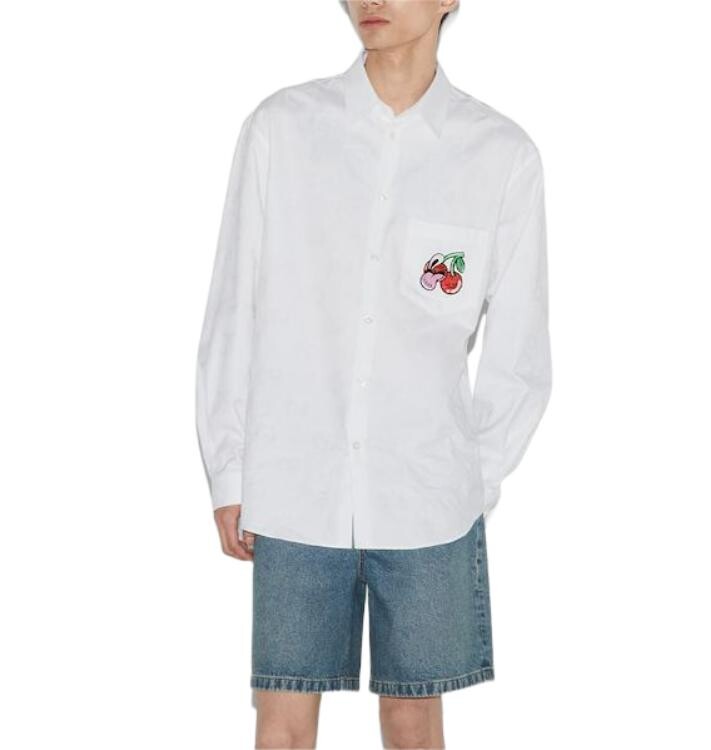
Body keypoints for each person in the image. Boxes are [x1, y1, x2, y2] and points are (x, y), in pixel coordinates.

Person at [195, 1, 552, 747]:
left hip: (428, 500)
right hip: (295, 488)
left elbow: (519, 357)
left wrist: (466, 481)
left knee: (413, 720)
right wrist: (229, 468)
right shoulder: (282, 130)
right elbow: (234, 308)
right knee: (282, 721)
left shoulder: (499, 155)